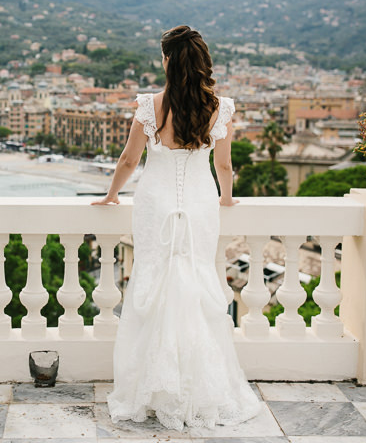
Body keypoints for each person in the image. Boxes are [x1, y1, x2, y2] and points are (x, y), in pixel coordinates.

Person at [92, 25, 260, 431]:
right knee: (195, 283)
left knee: (155, 283)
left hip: (155, 205)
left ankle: (152, 388)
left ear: (167, 60)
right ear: (201, 62)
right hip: (201, 204)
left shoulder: (152, 106)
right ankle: (197, 387)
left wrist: (112, 195)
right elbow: (223, 165)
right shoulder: (218, 107)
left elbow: (130, 160)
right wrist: (227, 198)